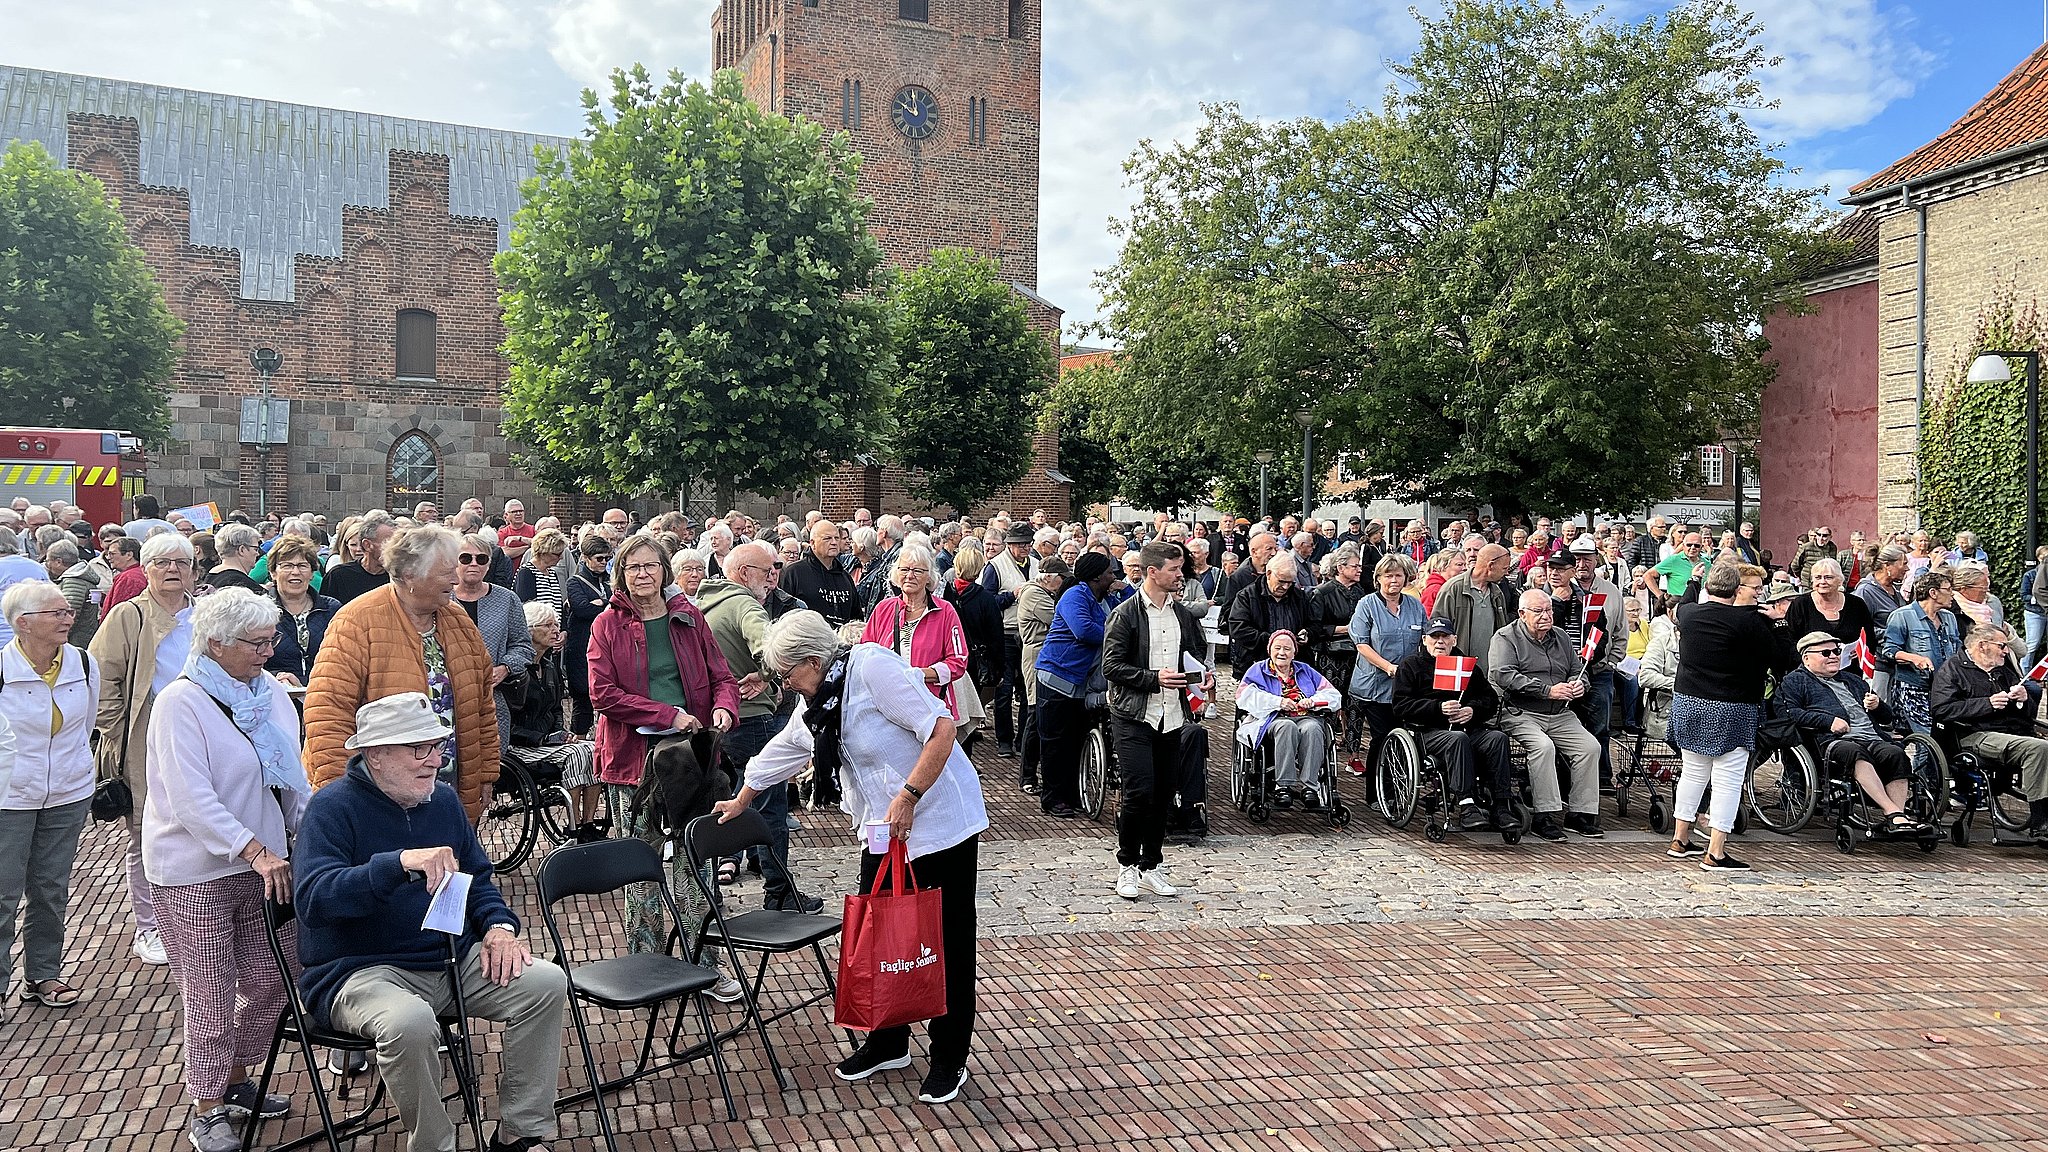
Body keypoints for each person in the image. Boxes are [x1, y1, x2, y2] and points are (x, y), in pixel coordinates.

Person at [711, 610, 985, 1103]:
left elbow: (941, 728)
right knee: (880, 936)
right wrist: (743, 796)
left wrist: (909, 795)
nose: (787, 684)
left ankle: (950, 1057)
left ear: (813, 661)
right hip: (883, 832)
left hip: (940, 822)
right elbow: (788, 748)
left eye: (789, 674)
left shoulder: (874, 669)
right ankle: (887, 1041)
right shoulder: (820, 700)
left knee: (945, 938)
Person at [295, 692, 569, 1152]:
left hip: (446, 958)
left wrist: (499, 927)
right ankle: (435, 1145)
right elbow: (313, 899)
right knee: (409, 1022)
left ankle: (520, 1131)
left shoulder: (441, 801)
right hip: (358, 970)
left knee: (545, 984)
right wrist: (397, 863)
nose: (435, 761)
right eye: (419, 748)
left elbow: (477, 877)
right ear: (375, 755)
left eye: (438, 746)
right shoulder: (331, 808)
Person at [142, 589, 309, 1152]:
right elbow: (190, 797)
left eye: (272, 640)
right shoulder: (179, 703)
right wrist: (255, 851)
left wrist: (310, 837)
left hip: (266, 863)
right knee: (209, 988)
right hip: (194, 871)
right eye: (257, 643)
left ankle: (236, 1076)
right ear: (216, 643)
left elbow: (294, 779)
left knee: (277, 976)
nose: (269, 651)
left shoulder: (271, 696)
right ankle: (208, 1105)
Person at [587, 531, 741, 981]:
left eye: (650, 565)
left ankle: (705, 965)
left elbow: (722, 676)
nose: (642, 574)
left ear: (664, 571)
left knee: (698, 863)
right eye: (633, 566)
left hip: (691, 757)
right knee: (642, 865)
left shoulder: (688, 617)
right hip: (632, 760)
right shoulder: (607, 625)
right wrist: (666, 714)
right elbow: (602, 693)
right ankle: (647, 965)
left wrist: (723, 708)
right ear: (621, 573)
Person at [303, 525, 500, 819]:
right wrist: (342, 794)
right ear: (410, 575)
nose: (456, 578)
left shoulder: (458, 620)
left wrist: (485, 774)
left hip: (451, 788)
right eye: (446, 571)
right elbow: (327, 715)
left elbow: (482, 703)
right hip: (380, 793)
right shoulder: (357, 621)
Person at [89, 530, 200, 967]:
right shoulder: (127, 616)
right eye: (162, 563)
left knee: (199, 825)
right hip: (145, 737)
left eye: (181, 563)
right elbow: (102, 679)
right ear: (146, 568)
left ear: (194, 569)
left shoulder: (204, 614)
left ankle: (192, 920)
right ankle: (150, 926)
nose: (172, 570)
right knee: (146, 834)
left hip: (199, 736)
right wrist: (120, 732)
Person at [697, 542, 818, 911]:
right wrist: (768, 673)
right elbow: (775, 646)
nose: (772, 578)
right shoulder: (745, 604)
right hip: (751, 717)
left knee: (726, 800)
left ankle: (710, 892)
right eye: (767, 571)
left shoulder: (702, 603)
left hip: (715, 720)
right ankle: (778, 891)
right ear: (743, 572)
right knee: (769, 807)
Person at [0, 583, 96, 1021]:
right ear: (23, 623)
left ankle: (42, 974)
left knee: (51, 888)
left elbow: (87, 724)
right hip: (9, 797)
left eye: (67, 610)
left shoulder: (82, 663)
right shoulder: (3, 669)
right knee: (3, 893)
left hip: (67, 793)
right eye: (55, 612)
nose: (67, 617)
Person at [1665, 562, 1793, 869]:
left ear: (1709, 587)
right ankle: (1716, 851)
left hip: (1688, 701)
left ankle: (1680, 839)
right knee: (1727, 780)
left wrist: (1694, 582)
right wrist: (1778, 622)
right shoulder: (1749, 623)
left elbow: (1684, 602)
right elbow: (1784, 657)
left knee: (1693, 772)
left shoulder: (1690, 615)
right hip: (1732, 706)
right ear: (1737, 590)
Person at [1102, 542, 1211, 895]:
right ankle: (1126, 864)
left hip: (1174, 713)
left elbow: (1194, 658)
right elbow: (1111, 666)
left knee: (1164, 790)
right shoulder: (1125, 614)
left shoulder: (1182, 615)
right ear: (1153, 572)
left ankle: (1152, 863)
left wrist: (1203, 677)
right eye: (1175, 569)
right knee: (1139, 791)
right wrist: (1153, 678)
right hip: (1133, 713)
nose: (1181, 575)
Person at [1777, 631, 1923, 833]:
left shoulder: (1854, 680)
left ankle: (1898, 819)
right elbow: (1788, 714)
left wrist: (1878, 706)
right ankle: (1893, 812)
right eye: (1826, 653)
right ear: (1806, 658)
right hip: (1832, 741)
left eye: (1837, 651)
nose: (1834, 656)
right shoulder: (1795, 681)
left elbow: (1887, 718)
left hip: (1872, 737)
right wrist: (1828, 721)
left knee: (1895, 754)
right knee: (1854, 753)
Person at [1488, 588, 1603, 842]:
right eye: (1538, 611)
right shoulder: (1505, 638)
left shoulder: (1560, 636)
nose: (1545, 616)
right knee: (1543, 747)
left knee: (1590, 748)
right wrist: (1547, 691)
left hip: (1560, 712)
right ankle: (1545, 814)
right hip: (1520, 710)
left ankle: (1580, 813)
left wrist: (1579, 683)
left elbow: (1577, 668)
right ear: (1522, 613)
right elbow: (1503, 675)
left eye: (1549, 610)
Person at [1393, 618, 1514, 834]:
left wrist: (1472, 710)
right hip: (1428, 732)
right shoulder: (1411, 666)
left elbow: (1490, 699)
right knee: (1457, 740)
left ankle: (1502, 804)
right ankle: (1466, 803)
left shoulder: (1466, 666)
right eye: (1434, 637)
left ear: (1453, 639)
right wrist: (1437, 708)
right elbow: (1401, 705)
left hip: (1467, 728)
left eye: (1445, 637)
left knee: (1497, 738)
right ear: (1424, 640)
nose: (1440, 642)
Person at [1930, 623, 2048, 838]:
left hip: (2013, 733)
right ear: (1983, 645)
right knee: (2038, 748)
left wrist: (2023, 701)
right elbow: (1941, 710)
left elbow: (2028, 715)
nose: (2006, 651)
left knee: (2037, 745)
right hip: (1975, 735)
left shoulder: (2003, 670)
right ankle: (2040, 821)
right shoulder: (1952, 670)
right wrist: (1987, 703)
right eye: (2002, 645)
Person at [509, 600, 607, 842]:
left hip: (546, 744)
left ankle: (587, 824)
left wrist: (560, 733)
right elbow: (507, 723)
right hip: (519, 747)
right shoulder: (515, 671)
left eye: (556, 625)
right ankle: (572, 828)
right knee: (575, 755)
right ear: (529, 630)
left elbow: (555, 709)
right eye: (548, 625)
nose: (556, 631)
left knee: (593, 749)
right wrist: (543, 738)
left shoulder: (550, 668)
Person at [1033, 553, 1114, 819]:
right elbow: (1084, 630)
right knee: (1056, 742)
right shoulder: (1075, 596)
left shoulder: (1102, 599)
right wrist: (1118, 634)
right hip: (1058, 677)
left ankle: (1073, 794)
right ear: (1096, 577)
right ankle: (1054, 798)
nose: (1113, 578)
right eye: (1109, 574)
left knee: (1076, 740)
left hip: (1080, 682)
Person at [859, 544, 970, 718]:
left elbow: (958, 662)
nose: (909, 576)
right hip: (886, 707)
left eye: (917, 571)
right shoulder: (883, 609)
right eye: (904, 569)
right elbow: (864, 654)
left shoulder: (945, 611)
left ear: (929, 577)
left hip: (930, 705)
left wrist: (919, 675)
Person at [452, 534, 536, 758]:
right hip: (449, 700)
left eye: (481, 559)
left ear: (489, 564)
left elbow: (524, 645)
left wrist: (505, 668)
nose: (473, 564)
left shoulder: (506, 599)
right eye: (465, 558)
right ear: (454, 561)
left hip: (493, 700)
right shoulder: (442, 599)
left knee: (490, 765)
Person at [1234, 629, 1337, 809]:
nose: (1282, 653)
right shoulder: (1258, 670)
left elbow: (1333, 695)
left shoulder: (1305, 670)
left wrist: (1312, 701)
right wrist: (1278, 702)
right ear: (1270, 650)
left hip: (1305, 717)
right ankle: (1284, 786)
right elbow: (1244, 696)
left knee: (1313, 728)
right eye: (1278, 648)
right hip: (1273, 719)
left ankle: (1310, 787)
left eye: (1287, 649)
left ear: (1294, 652)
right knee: (1286, 726)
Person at [1348, 554, 1430, 766]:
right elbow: (1362, 644)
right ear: (1378, 579)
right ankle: (1375, 793)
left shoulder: (1415, 605)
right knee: (1382, 737)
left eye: (1398, 575)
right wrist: (1389, 668)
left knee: (1406, 737)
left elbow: (1426, 637)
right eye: (1388, 576)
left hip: (1406, 686)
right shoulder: (1366, 604)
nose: (1394, 580)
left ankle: (1397, 790)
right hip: (1374, 685)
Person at [980, 525, 1037, 759]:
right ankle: (1004, 739)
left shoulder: (1035, 564)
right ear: (1010, 545)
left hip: (1029, 633)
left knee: (1027, 689)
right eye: (1022, 544)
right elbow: (988, 602)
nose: (1026, 548)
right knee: (1003, 690)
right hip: (1004, 633)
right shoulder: (995, 566)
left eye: (1028, 543)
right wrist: (1011, 595)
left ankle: (1023, 738)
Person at [1881, 569, 1961, 734]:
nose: (1953, 594)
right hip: (1914, 688)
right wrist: (1913, 658)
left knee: (1943, 738)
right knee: (1928, 740)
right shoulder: (1902, 616)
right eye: (1948, 589)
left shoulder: (1949, 618)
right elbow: (1889, 650)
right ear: (1933, 593)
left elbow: (1958, 649)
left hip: (1944, 689)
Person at [263, 534, 340, 688]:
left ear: (312, 573)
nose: (295, 572)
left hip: (325, 693)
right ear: (273, 573)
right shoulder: (260, 611)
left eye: (302, 566)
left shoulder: (331, 609)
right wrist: (277, 677)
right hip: (276, 694)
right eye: (287, 565)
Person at [1783, 557, 1877, 671]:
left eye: (1828, 577)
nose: (1822, 582)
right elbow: (1788, 640)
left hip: (1849, 673)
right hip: (1811, 674)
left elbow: (1869, 638)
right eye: (1818, 577)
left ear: (1839, 580)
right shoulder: (1801, 604)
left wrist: (1861, 651)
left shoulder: (1856, 604)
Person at [1226, 551, 1315, 670]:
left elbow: (1314, 624)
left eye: (1290, 582)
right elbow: (1238, 628)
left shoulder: (1299, 596)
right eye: (1282, 581)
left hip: (1294, 664)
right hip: (1256, 663)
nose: (1285, 587)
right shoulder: (1247, 596)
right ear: (1268, 574)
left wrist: (1307, 633)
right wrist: (1275, 641)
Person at [564, 531, 614, 734]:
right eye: (599, 558)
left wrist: (602, 603)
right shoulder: (574, 582)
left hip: (605, 644)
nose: (603, 562)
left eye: (607, 558)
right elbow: (582, 609)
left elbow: (618, 605)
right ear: (585, 558)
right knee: (582, 695)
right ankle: (579, 738)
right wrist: (606, 605)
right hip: (581, 644)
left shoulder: (608, 580)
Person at [779, 519, 858, 626]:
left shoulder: (845, 577)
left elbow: (856, 617)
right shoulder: (794, 573)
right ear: (812, 543)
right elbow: (783, 615)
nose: (834, 542)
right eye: (827, 538)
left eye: (837, 538)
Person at [323, 510, 397, 606]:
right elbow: (325, 614)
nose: (395, 548)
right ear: (367, 545)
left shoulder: (400, 578)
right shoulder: (338, 576)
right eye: (388, 542)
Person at [513, 527, 571, 625]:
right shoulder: (526, 573)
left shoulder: (552, 573)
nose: (561, 557)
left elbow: (558, 606)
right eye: (557, 554)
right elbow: (527, 610)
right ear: (543, 553)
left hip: (554, 631)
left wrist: (563, 630)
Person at [200, 523, 267, 596]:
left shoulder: (210, 577)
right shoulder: (244, 587)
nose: (258, 554)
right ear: (242, 550)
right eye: (255, 549)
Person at [1651, 532, 1707, 600]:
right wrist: (1660, 596)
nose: (1693, 547)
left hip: (1700, 605)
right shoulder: (1674, 560)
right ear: (1683, 546)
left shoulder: (1707, 563)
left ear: (1701, 547)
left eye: (1697, 545)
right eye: (1689, 545)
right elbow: (1648, 575)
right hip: (1677, 604)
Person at [1951, 564, 2006, 631]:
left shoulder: (1990, 604)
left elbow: (2004, 628)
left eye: (1986, 587)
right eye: (1982, 588)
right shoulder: (1952, 609)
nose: (1986, 591)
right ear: (1964, 589)